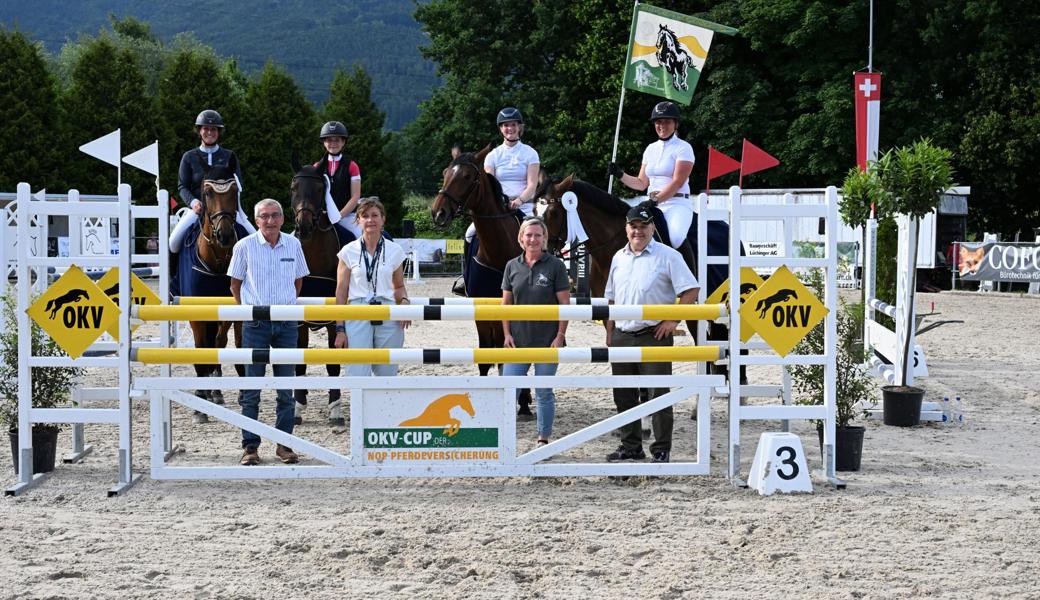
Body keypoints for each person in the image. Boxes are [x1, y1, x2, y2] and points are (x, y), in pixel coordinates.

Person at [604, 206, 699, 464]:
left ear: (652, 228)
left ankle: (661, 448)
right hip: (623, 332)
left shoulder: (668, 255)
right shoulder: (618, 257)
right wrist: (609, 329)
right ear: (626, 229)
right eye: (633, 227)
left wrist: (672, 320)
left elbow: (691, 290)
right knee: (623, 394)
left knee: (658, 394)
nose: (638, 231)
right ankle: (631, 446)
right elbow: (610, 297)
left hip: (653, 334)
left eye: (643, 226)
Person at [228, 199, 309, 466]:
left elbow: (298, 282)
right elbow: (235, 285)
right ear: (256, 220)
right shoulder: (244, 246)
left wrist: (284, 306)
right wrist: (249, 312)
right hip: (256, 324)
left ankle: (284, 444)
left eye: (275, 215)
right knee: (252, 388)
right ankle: (250, 446)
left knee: (286, 389)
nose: (270, 221)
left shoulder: (294, 244)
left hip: (286, 323)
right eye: (264, 216)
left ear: (283, 219)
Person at [501, 217, 570, 444]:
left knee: (543, 392)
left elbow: (564, 305)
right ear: (521, 238)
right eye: (528, 235)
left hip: (547, 341)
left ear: (544, 239)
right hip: (517, 341)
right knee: (507, 390)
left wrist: (560, 335)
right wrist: (507, 334)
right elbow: (506, 305)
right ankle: (503, 437)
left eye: (537, 235)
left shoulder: (556, 266)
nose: (532, 239)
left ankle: (543, 437)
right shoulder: (511, 265)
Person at [333, 198, 410, 379]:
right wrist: (340, 329)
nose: (370, 220)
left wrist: (405, 302)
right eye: (365, 216)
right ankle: (360, 408)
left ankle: (383, 407)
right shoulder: (348, 251)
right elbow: (341, 292)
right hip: (357, 312)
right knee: (357, 371)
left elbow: (399, 286)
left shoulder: (395, 250)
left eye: (375, 215)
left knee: (387, 373)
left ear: (383, 219)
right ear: (358, 220)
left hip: (388, 313)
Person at [608, 101, 695, 256]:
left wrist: (655, 200)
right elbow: (641, 183)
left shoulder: (684, 148)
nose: (662, 126)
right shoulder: (650, 149)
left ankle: (690, 274)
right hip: (652, 204)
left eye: (667, 121)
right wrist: (620, 174)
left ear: (676, 124)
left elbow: (677, 182)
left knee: (675, 238)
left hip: (676, 203)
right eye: (658, 122)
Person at [170, 109, 255, 254]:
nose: (210, 132)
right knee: (173, 243)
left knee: (254, 238)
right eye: (206, 128)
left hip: (227, 210)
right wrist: (193, 203)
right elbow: (182, 186)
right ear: (199, 131)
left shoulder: (229, 156)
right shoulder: (189, 157)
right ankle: (173, 276)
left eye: (214, 129)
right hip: (198, 208)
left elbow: (238, 184)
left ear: (218, 132)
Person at [314, 120, 363, 241]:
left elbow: (355, 196)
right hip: (322, 216)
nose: (333, 143)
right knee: (295, 236)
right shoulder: (316, 167)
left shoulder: (352, 166)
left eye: (337, 140)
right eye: (329, 140)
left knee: (361, 238)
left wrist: (339, 216)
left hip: (347, 217)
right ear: (324, 142)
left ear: (343, 142)